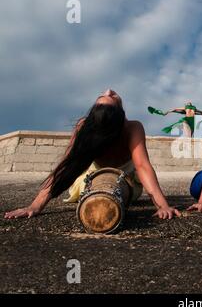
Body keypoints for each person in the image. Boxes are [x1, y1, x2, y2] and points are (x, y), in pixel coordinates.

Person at [4, 89, 180, 220]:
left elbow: (142, 166)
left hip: (128, 179)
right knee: (91, 188)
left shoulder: (133, 128)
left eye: (107, 95)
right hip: (91, 175)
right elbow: (68, 164)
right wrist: (35, 206)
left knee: (119, 188)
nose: (109, 90)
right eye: (108, 97)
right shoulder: (84, 126)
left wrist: (162, 206)